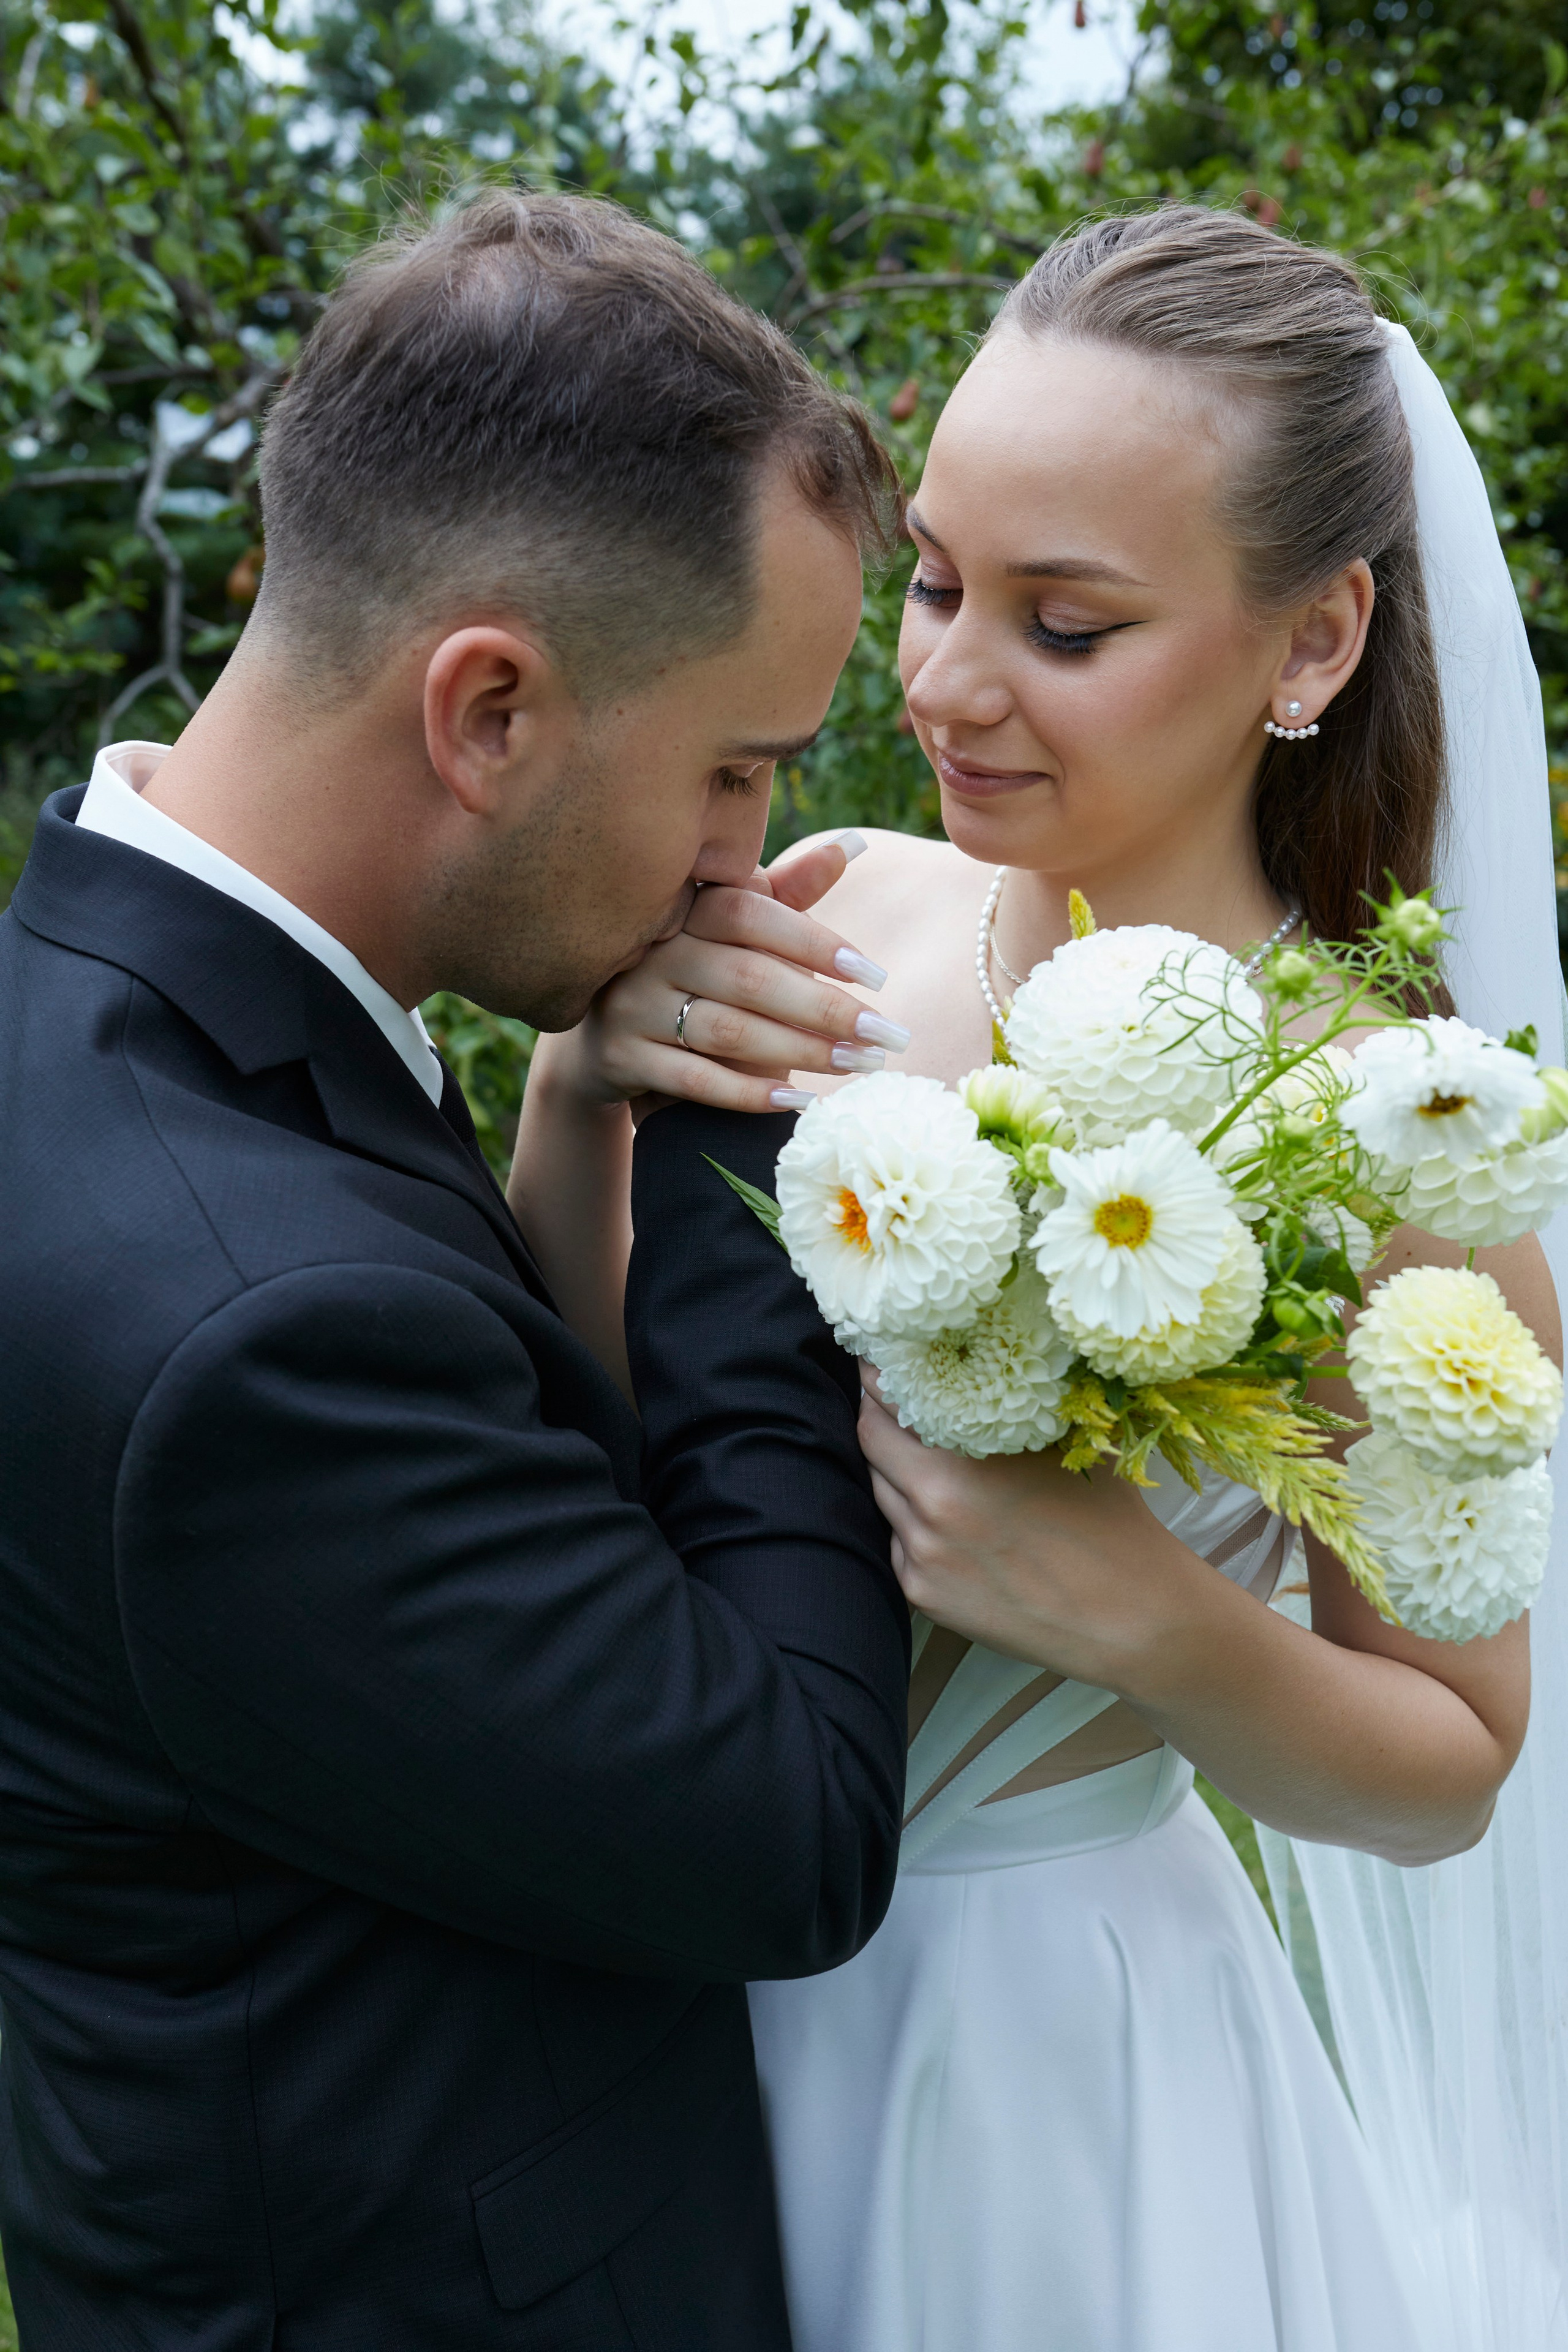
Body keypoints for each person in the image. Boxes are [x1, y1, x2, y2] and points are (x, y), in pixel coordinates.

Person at [518, 206, 1568, 2349]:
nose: (938, 679)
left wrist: (1165, 1630)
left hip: (1050, 2059)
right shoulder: (826, 915)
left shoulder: (1387, 1141)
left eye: (1063, 625)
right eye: (932, 579)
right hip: (664, 1998)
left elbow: (1456, 1764)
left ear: (1312, 642)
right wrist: (569, 1108)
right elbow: (572, 1436)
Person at [0, 190, 916, 2348]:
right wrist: (735, 1155)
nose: (741, 849)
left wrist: (576, 1100)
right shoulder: (255, 1340)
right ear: (487, 709)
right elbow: (789, 1819)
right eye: (734, 765)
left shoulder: (108, 1018)